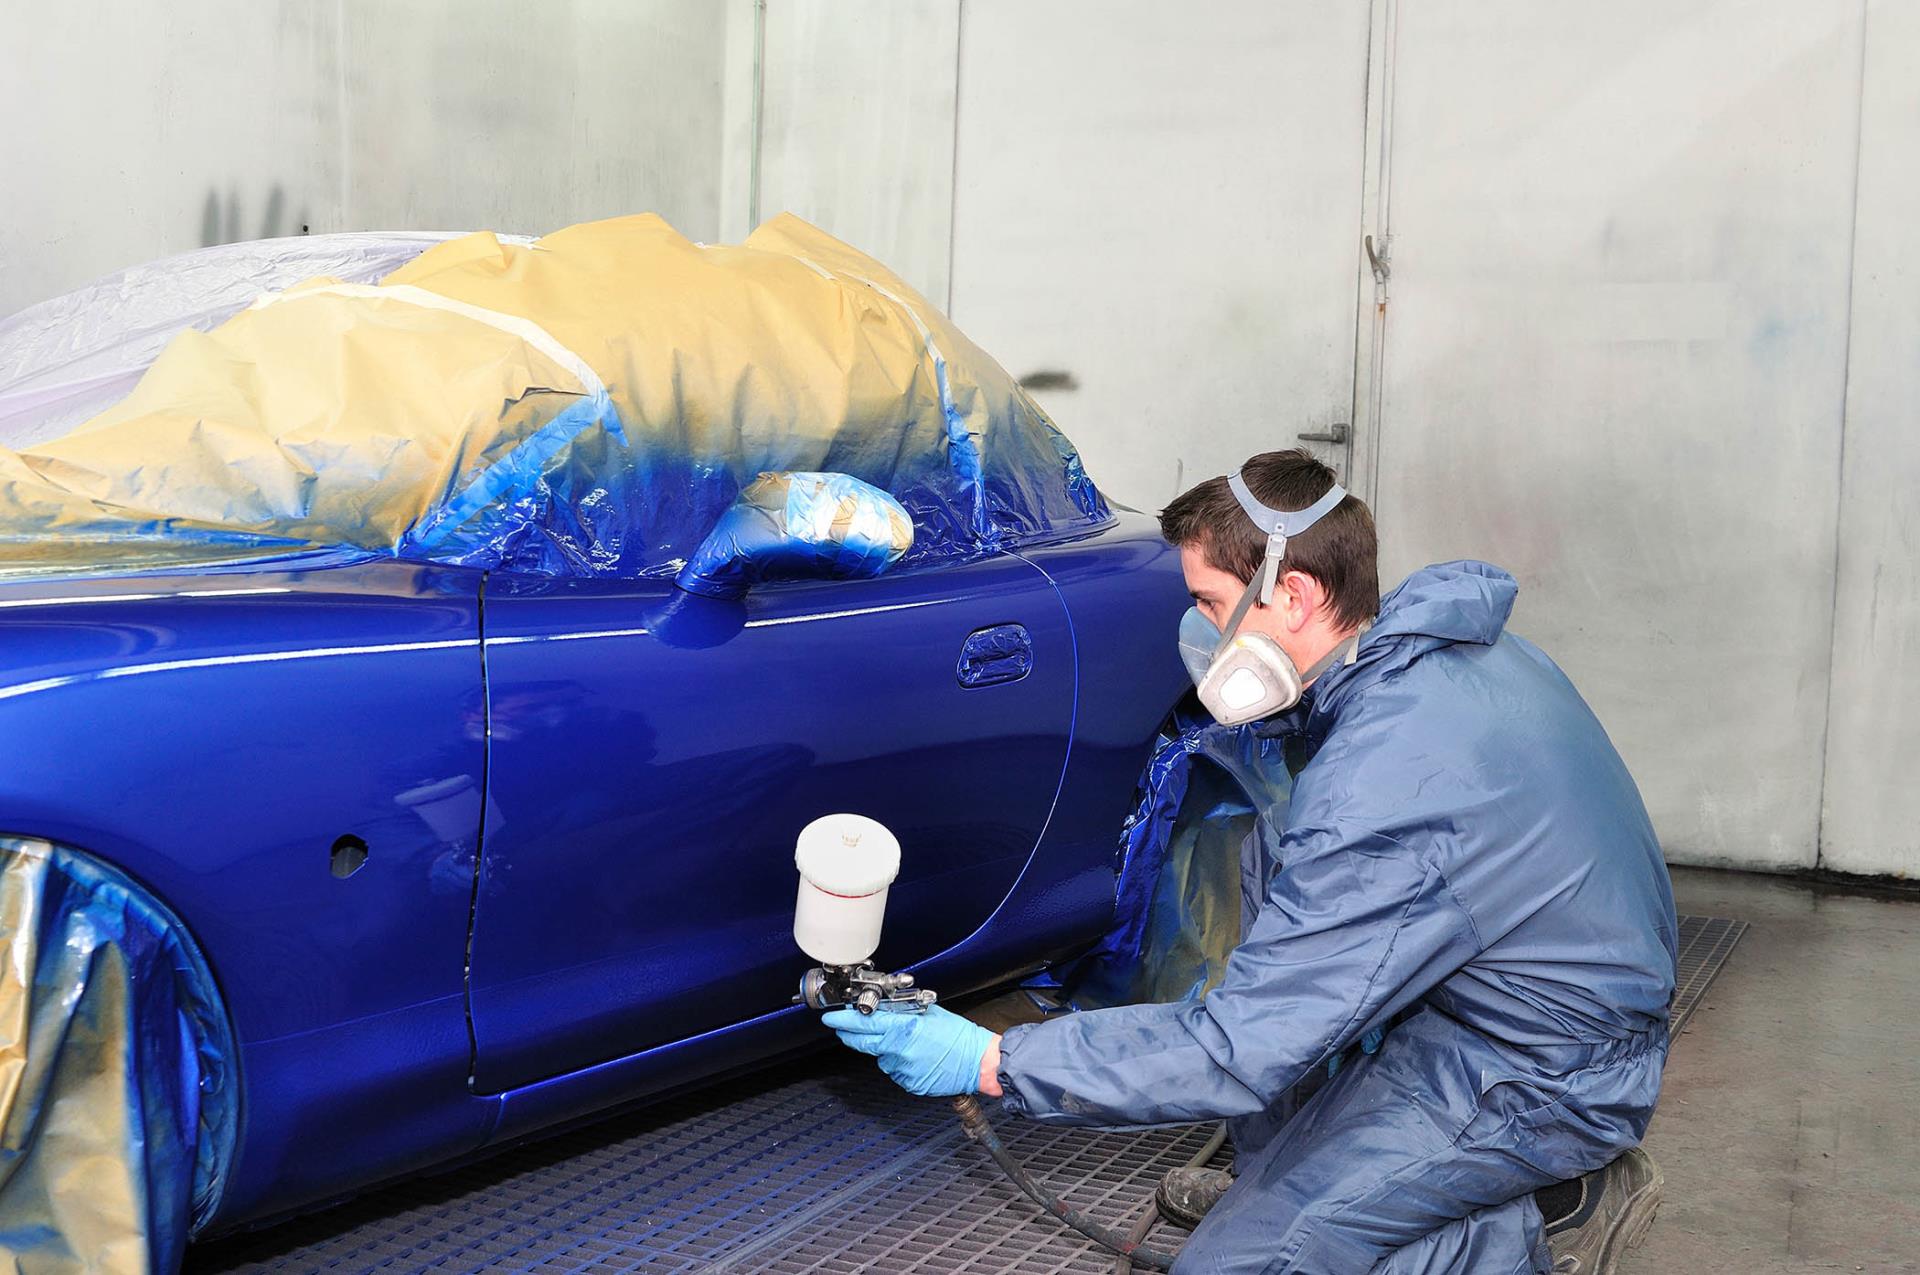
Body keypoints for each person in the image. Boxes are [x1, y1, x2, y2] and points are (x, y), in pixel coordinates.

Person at [826, 449, 1678, 1274]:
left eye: (1209, 600)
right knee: (1277, 880)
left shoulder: (1390, 772)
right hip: (1483, 1004)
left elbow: (1245, 1045)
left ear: (1295, 595)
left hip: (1536, 1074)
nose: (1197, 631)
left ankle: (1522, 1218)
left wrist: (993, 1060)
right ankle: (1328, 1186)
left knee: (1252, 1258)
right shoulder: (1446, 664)